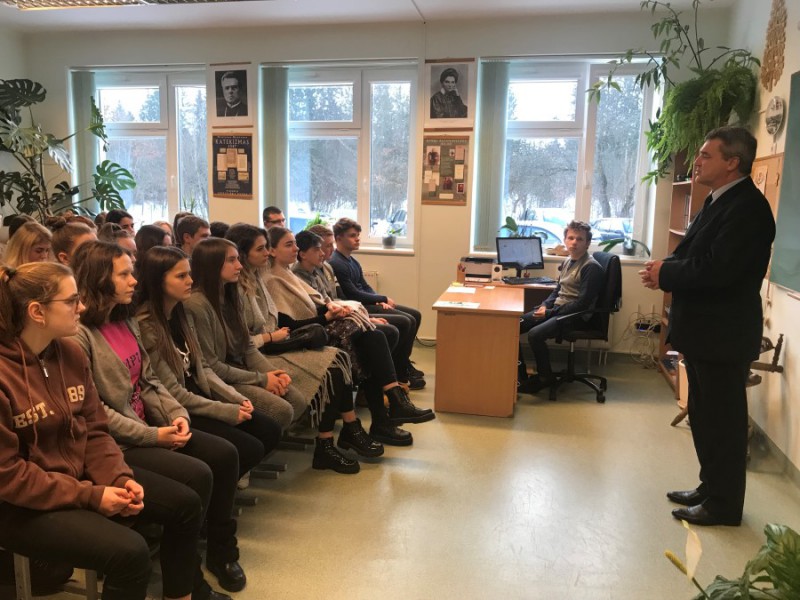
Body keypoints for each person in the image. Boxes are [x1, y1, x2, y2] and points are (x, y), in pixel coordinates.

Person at [0, 261, 208, 600]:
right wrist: (91, 495)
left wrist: (118, 478)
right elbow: (8, 475)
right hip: (19, 503)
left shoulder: (68, 353)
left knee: (186, 504)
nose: (81, 307)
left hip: (75, 480)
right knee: (130, 554)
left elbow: (96, 432)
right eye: (71, 301)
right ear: (37, 312)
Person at [71, 240, 241, 596]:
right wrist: (153, 436)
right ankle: (187, 582)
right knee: (195, 481)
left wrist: (176, 415)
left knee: (222, 457)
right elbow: (97, 411)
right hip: (118, 443)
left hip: (147, 426)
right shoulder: (81, 336)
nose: (134, 281)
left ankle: (211, 560)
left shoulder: (125, 319)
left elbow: (149, 381)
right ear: (100, 279)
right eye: (124, 274)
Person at [640, 126, 775, 527]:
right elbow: (694, 254)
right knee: (703, 415)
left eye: (705, 155)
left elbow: (719, 270)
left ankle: (724, 505)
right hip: (705, 333)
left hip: (723, 336)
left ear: (733, 162)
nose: (696, 161)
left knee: (723, 423)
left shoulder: (748, 208)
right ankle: (710, 487)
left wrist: (666, 274)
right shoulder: (719, 200)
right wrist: (663, 269)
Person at [225, 223, 384, 472]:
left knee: (339, 358)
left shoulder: (256, 278)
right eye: (260, 249)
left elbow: (287, 316)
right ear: (244, 253)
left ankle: (347, 430)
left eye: (267, 247)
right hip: (258, 354)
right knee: (333, 367)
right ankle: (328, 443)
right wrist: (270, 337)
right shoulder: (241, 286)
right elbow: (241, 344)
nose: (266, 253)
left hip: (271, 345)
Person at [265, 226, 435, 446]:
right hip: (305, 337)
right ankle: (385, 414)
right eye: (289, 245)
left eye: (295, 244)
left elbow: (324, 302)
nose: (295, 249)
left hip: (321, 328)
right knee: (374, 342)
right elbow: (290, 325)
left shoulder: (291, 274)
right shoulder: (275, 279)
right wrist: (329, 316)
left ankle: (390, 406)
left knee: (377, 337)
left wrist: (340, 314)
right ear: (272, 250)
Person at [135, 246, 284, 485]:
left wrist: (235, 398)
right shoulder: (146, 326)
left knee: (268, 429)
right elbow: (174, 392)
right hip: (178, 407)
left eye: (189, 274)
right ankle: (219, 492)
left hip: (199, 392)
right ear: (157, 281)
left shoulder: (181, 313)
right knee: (242, 448)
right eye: (181, 276)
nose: (190, 281)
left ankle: (224, 486)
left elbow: (203, 367)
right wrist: (225, 410)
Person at [184, 237, 306, 431]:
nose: (239, 266)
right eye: (231, 260)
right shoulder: (197, 304)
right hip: (218, 380)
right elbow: (212, 366)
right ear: (212, 264)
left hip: (238, 368)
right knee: (280, 410)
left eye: (238, 259)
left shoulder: (231, 294)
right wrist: (262, 379)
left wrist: (274, 374)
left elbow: (247, 346)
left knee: (297, 400)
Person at [329, 218, 426, 389]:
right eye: (352, 236)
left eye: (358, 235)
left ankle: (403, 363)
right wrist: (381, 299)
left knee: (415, 315)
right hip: (359, 306)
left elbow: (365, 286)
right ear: (338, 238)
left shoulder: (352, 261)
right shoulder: (337, 262)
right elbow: (352, 294)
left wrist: (379, 300)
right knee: (406, 321)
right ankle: (399, 370)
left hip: (368, 302)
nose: (357, 239)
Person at [518, 220, 603, 393]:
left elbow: (582, 304)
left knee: (535, 335)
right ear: (565, 240)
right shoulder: (567, 261)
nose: (574, 242)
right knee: (515, 324)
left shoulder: (591, 267)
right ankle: (520, 376)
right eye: (571, 238)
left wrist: (550, 312)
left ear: (587, 243)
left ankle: (545, 377)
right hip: (558, 310)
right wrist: (544, 306)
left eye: (579, 239)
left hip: (576, 316)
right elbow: (558, 290)